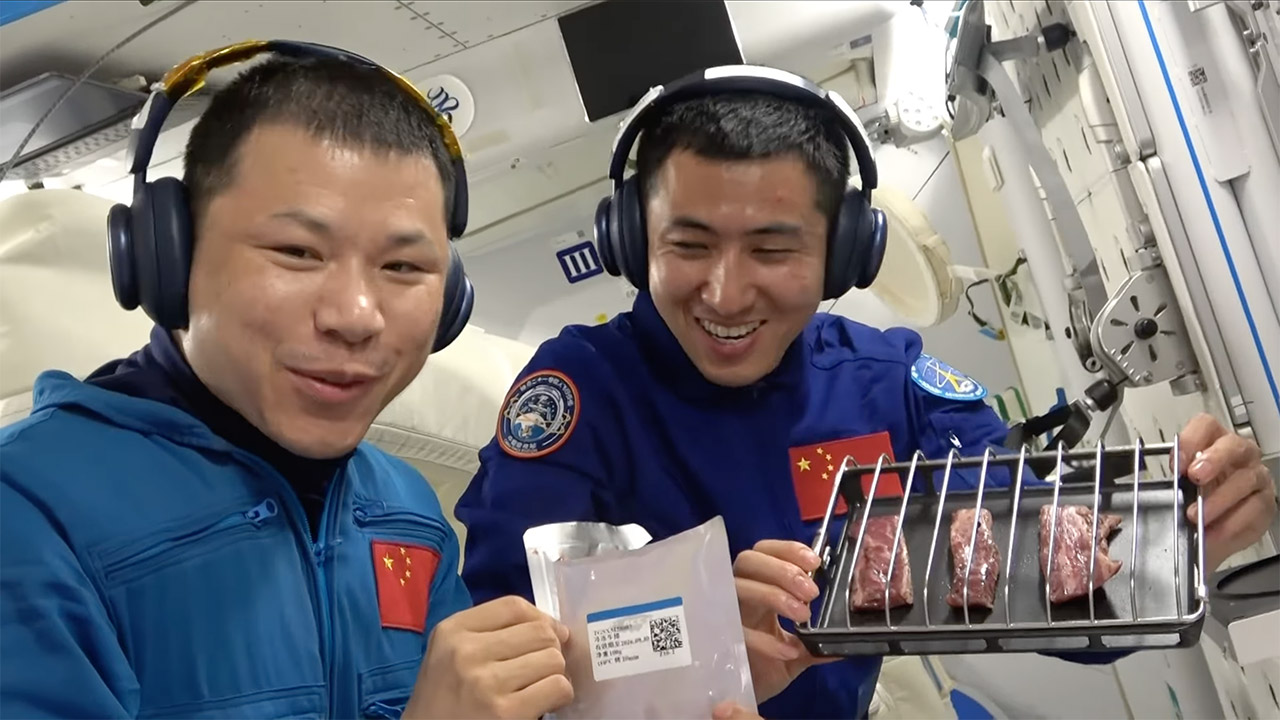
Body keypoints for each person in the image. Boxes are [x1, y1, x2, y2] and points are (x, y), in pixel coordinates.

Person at [455, 65, 1278, 718]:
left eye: (773, 251)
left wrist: (1170, 548)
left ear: (844, 255)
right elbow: (503, 646)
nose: (726, 293)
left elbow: (1040, 576)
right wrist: (695, 628)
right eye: (689, 244)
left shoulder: (891, 388)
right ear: (632, 241)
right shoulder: (578, 396)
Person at [0, 42, 583, 719]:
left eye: (402, 268)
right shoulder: (31, 514)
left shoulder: (407, 509)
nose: (356, 317)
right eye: (297, 253)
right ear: (169, 256)